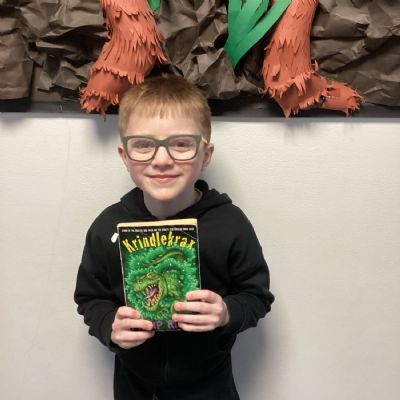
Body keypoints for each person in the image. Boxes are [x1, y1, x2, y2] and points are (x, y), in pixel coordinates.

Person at [74, 75, 274, 400]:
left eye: (181, 144)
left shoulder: (230, 224)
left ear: (205, 155)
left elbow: (257, 297)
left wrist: (226, 312)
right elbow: (89, 298)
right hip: (134, 386)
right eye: (143, 145)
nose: (162, 160)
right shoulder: (107, 226)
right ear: (125, 156)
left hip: (210, 386)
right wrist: (108, 324)